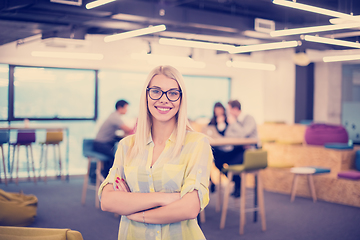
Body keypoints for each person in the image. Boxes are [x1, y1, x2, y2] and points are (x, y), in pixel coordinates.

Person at [98, 65, 213, 240]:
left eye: (173, 93)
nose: (164, 99)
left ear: (181, 99)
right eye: (156, 91)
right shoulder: (127, 146)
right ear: (146, 96)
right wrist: (164, 198)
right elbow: (107, 201)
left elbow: (189, 208)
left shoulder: (197, 144)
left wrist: (136, 210)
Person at [212, 100, 259, 198]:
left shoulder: (248, 118)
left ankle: (238, 183)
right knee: (217, 156)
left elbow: (243, 134)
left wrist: (234, 124)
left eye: (229, 109)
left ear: (235, 109)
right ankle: (237, 181)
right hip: (238, 149)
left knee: (230, 162)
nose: (227, 112)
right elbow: (228, 135)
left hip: (250, 152)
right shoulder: (234, 120)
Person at [92, 100, 133, 179]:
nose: (127, 110)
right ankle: (106, 175)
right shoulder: (115, 117)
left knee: (118, 152)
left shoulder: (114, 116)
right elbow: (128, 129)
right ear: (120, 108)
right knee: (117, 156)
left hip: (102, 143)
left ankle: (108, 174)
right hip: (101, 144)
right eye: (126, 108)